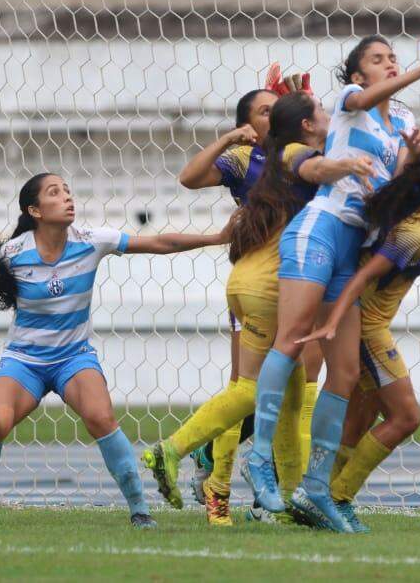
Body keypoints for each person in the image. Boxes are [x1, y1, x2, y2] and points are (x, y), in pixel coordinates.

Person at [0, 172, 229, 529]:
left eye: (67, 191)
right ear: (35, 210)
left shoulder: (92, 241)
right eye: (54, 193)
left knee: (101, 418)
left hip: (73, 359)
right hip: (24, 361)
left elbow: (160, 243)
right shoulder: (13, 253)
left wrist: (217, 238)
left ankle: (140, 509)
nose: (67, 198)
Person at [246, 29, 420, 533]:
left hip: (354, 246)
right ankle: (258, 464)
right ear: (357, 74)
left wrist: (416, 156)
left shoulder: (402, 120)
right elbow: (361, 103)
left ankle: (318, 488)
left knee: (341, 373)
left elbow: (395, 184)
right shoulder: (347, 103)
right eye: (378, 59)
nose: (388, 63)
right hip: (321, 229)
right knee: (291, 341)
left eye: (393, 58)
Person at [142, 91, 376, 524]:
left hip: (262, 276)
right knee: (252, 389)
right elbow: (191, 176)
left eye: (275, 108)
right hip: (278, 281)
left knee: (293, 395)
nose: (270, 115)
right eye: (261, 110)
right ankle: (195, 467)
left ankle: (287, 501)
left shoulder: (279, 157)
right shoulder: (258, 157)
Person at [297, 146, 420, 533]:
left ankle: (314, 494)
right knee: (406, 417)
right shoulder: (415, 231)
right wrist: (336, 321)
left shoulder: (412, 212)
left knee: (361, 418)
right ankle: (336, 498)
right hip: (366, 328)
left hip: (362, 322)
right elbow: (364, 275)